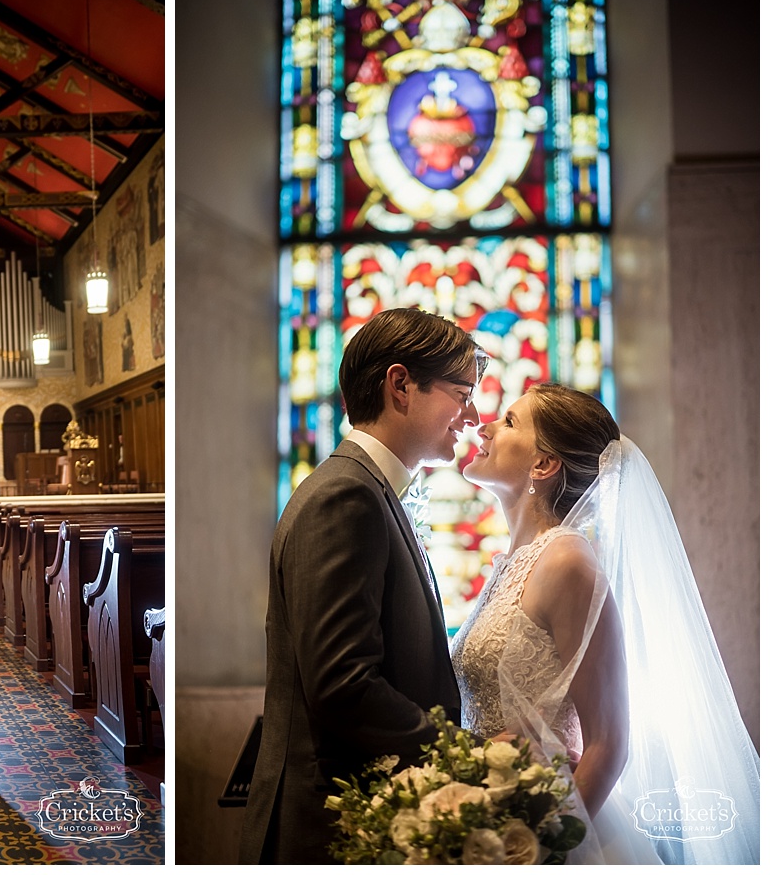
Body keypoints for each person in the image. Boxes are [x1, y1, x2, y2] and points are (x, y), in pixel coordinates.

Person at [455, 382, 759, 864]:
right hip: (495, 818)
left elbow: (608, 742)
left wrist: (548, 849)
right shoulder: (511, 563)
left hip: (554, 832)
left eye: (509, 421)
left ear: (543, 464)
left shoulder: (567, 561)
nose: (485, 427)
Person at [239, 308, 488, 864]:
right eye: (460, 392)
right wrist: (464, 754)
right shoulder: (345, 496)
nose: (471, 415)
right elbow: (343, 684)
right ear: (401, 384)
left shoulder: (371, 490)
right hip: (329, 827)